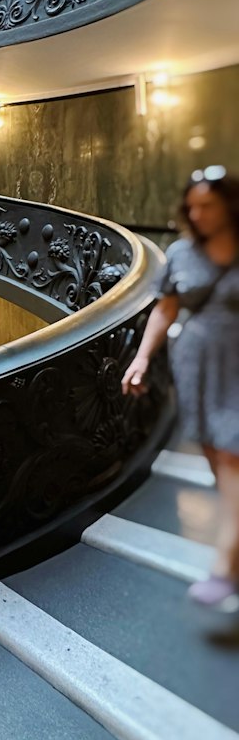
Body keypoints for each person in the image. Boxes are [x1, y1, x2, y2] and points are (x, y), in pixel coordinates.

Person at [122, 166, 239, 605]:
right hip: (197, 364)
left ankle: (227, 568)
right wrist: (142, 358)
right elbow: (164, 310)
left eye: (208, 204)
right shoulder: (183, 254)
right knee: (217, 456)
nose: (199, 213)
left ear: (229, 203)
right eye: (193, 206)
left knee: (231, 456)